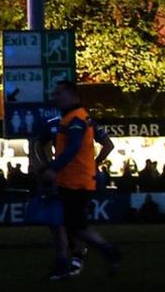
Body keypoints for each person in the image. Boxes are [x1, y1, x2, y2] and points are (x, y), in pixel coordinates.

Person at [40, 79, 122, 280]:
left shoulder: (76, 119)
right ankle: (79, 260)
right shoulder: (76, 118)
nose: (55, 97)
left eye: (59, 94)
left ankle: (106, 251)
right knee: (74, 224)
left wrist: (54, 168)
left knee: (74, 225)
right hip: (74, 179)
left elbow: (73, 147)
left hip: (76, 181)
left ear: (72, 96)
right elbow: (105, 145)